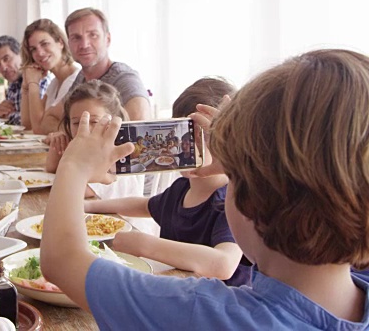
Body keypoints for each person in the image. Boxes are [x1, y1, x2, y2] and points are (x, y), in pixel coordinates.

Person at [41, 49, 369, 329]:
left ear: (250, 201)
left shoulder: (204, 314)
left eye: (235, 175)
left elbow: (62, 261)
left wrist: (74, 166)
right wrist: (241, 158)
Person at [84, 77, 249, 286]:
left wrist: (147, 245)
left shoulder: (232, 200)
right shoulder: (182, 189)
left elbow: (224, 264)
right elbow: (145, 205)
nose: (186, 146)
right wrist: (89, 206)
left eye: (202, 135)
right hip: (177, 294)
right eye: (180, 133)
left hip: (219, 310)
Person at [45, 80, 144, 199]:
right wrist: (57, 144)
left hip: (123, 217)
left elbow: (73, 190)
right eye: (77, 122)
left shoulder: (117, 154)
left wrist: (69, 157)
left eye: (95, 122)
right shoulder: (84, 151)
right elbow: (51, 170)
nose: (85, 128)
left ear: (113, 123)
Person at [65, 7, 151, 121]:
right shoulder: (81, 78)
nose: (84, 44)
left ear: (108, 39)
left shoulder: (125, 80)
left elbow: (141, 132)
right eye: (76, 38)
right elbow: (55, 123)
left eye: (93, 35)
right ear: (68, 43)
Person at [20, 19, 80, 134]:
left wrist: (33, 83)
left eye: (44, 44)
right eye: (33, 49)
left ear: (60, 43)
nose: (40, 53)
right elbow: (28, 125)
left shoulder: (76, 80)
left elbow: (38, 128)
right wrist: (25, 86)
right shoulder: (54, 84)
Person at [0, 35, 51, 125]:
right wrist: (1, 112)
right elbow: (13, 118)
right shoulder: (14, 84)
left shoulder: (39, 78)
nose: (3, 67)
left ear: (21, 54)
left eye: (6, 59)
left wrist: (9, 116)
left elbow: (34, 122)